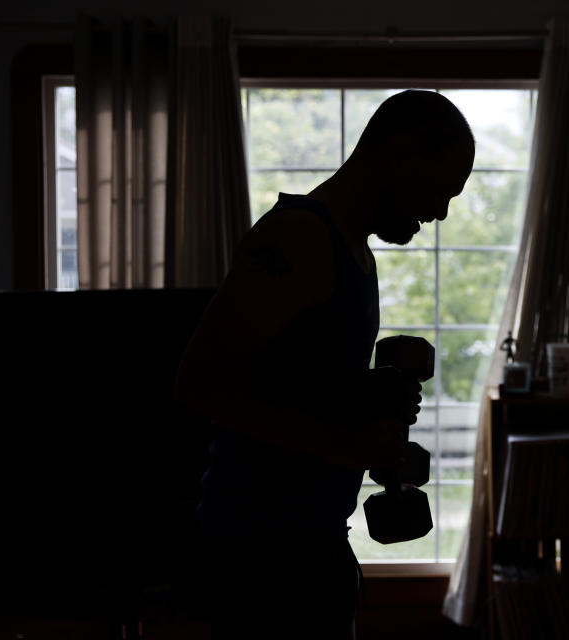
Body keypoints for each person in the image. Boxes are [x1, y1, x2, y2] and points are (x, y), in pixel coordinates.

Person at [175, 90, 475, 639]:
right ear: (399, 153)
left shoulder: (356, 252)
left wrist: (364, 395)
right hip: (258, 558)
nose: (440, 212)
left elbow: (288, 380)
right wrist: (346, 447)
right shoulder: (298, 236)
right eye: (439, 190)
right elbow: (202, 382)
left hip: (313, 546)